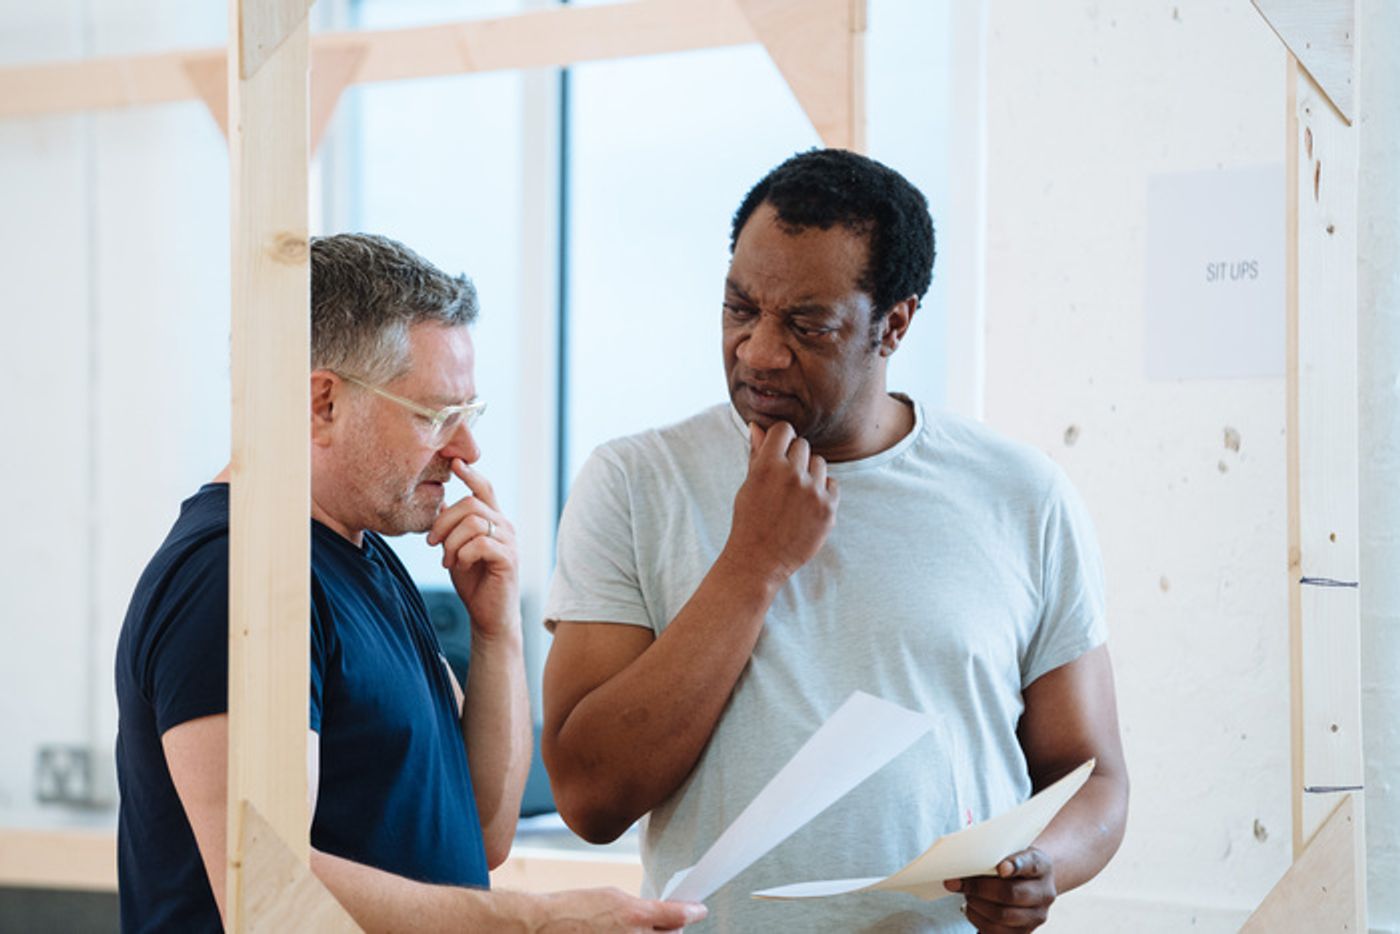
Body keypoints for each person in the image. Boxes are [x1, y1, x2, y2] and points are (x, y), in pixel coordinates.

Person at [540, 149, 1129, 932]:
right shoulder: (636, 481)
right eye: (740, 309)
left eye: (806, 324)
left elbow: (1094, 777)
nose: (758, 351)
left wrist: (1043, 864)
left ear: (895, 324)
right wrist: (754, 564)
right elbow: (590, 797)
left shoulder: (1023, 493)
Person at [114, 233, 705, 933]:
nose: (466, 449)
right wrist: (535, 924)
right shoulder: (235, 573)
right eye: (434, 416)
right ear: (323, 403)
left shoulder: (365, 557)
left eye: (468, 414)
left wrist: (497, 633)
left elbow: (482, 831)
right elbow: (267, 887)